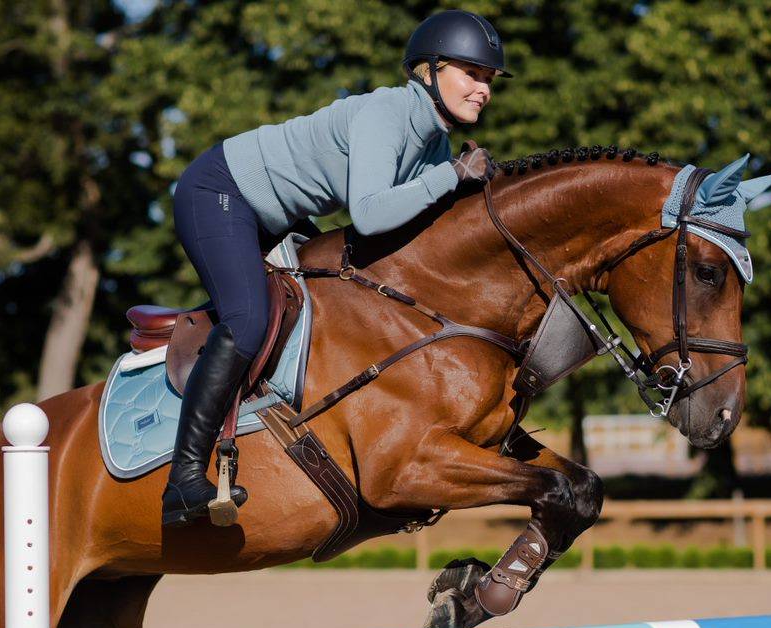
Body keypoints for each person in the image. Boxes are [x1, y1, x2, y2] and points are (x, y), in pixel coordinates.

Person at [162, 10, 510, 528]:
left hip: (276, 216)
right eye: (472, 73)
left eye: (488, 79)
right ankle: (183, 481)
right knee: (250, 320)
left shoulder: (434, 141)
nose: (482, 88)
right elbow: (369, 216)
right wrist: (452, 176)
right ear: (429, 70)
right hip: (221, 192)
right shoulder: (387, 113)